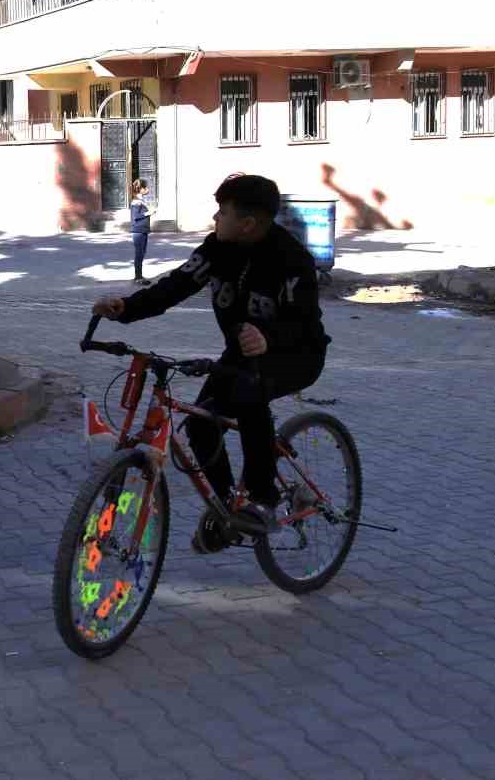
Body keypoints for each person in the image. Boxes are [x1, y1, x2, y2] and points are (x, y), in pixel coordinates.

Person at [92, 174, 330, 553]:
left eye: (222, 212)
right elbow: (176, 285)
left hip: (296, 355)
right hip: (241, 356)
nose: (215, 218)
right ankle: (230, 510)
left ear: (248, 223)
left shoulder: (292, 260)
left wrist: (270, 337)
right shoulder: (218, 248)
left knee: (250, 393)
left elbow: (304, 323)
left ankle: (262, 500)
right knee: (202, 426)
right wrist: (125, 308)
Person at [128, 179, 153, 285]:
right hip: (138, 231)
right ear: (140, 188)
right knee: (139, 254)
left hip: (143, 230)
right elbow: (135, 217)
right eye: (145, 187)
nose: (147, 189)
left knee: (142, 253)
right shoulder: (136, 201)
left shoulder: (141, 200)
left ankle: (140, 276)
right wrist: (148, 213)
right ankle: (138, 278)